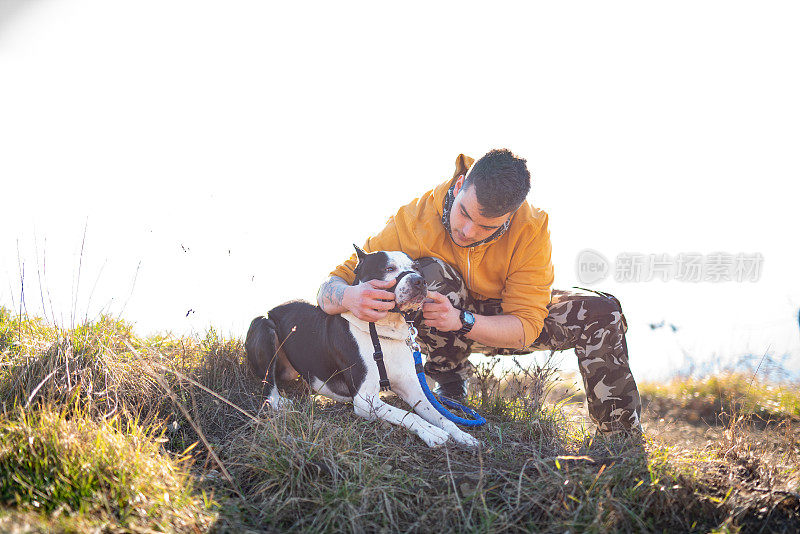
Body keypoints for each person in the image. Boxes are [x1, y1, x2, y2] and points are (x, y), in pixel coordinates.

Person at [317, 149, 642, 434]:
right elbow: (331, 285)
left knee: (602, 312)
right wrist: (349, 297)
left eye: (486, 226)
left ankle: (618, 444)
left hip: (495, 319)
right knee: (428, 272)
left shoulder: (530, 228)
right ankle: (446, 383)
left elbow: (528, 326)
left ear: (510, 215)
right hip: (432, 320)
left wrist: (461, 319)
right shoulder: (414, 219)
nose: (468, 231)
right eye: (464, 214)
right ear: (459, 187)